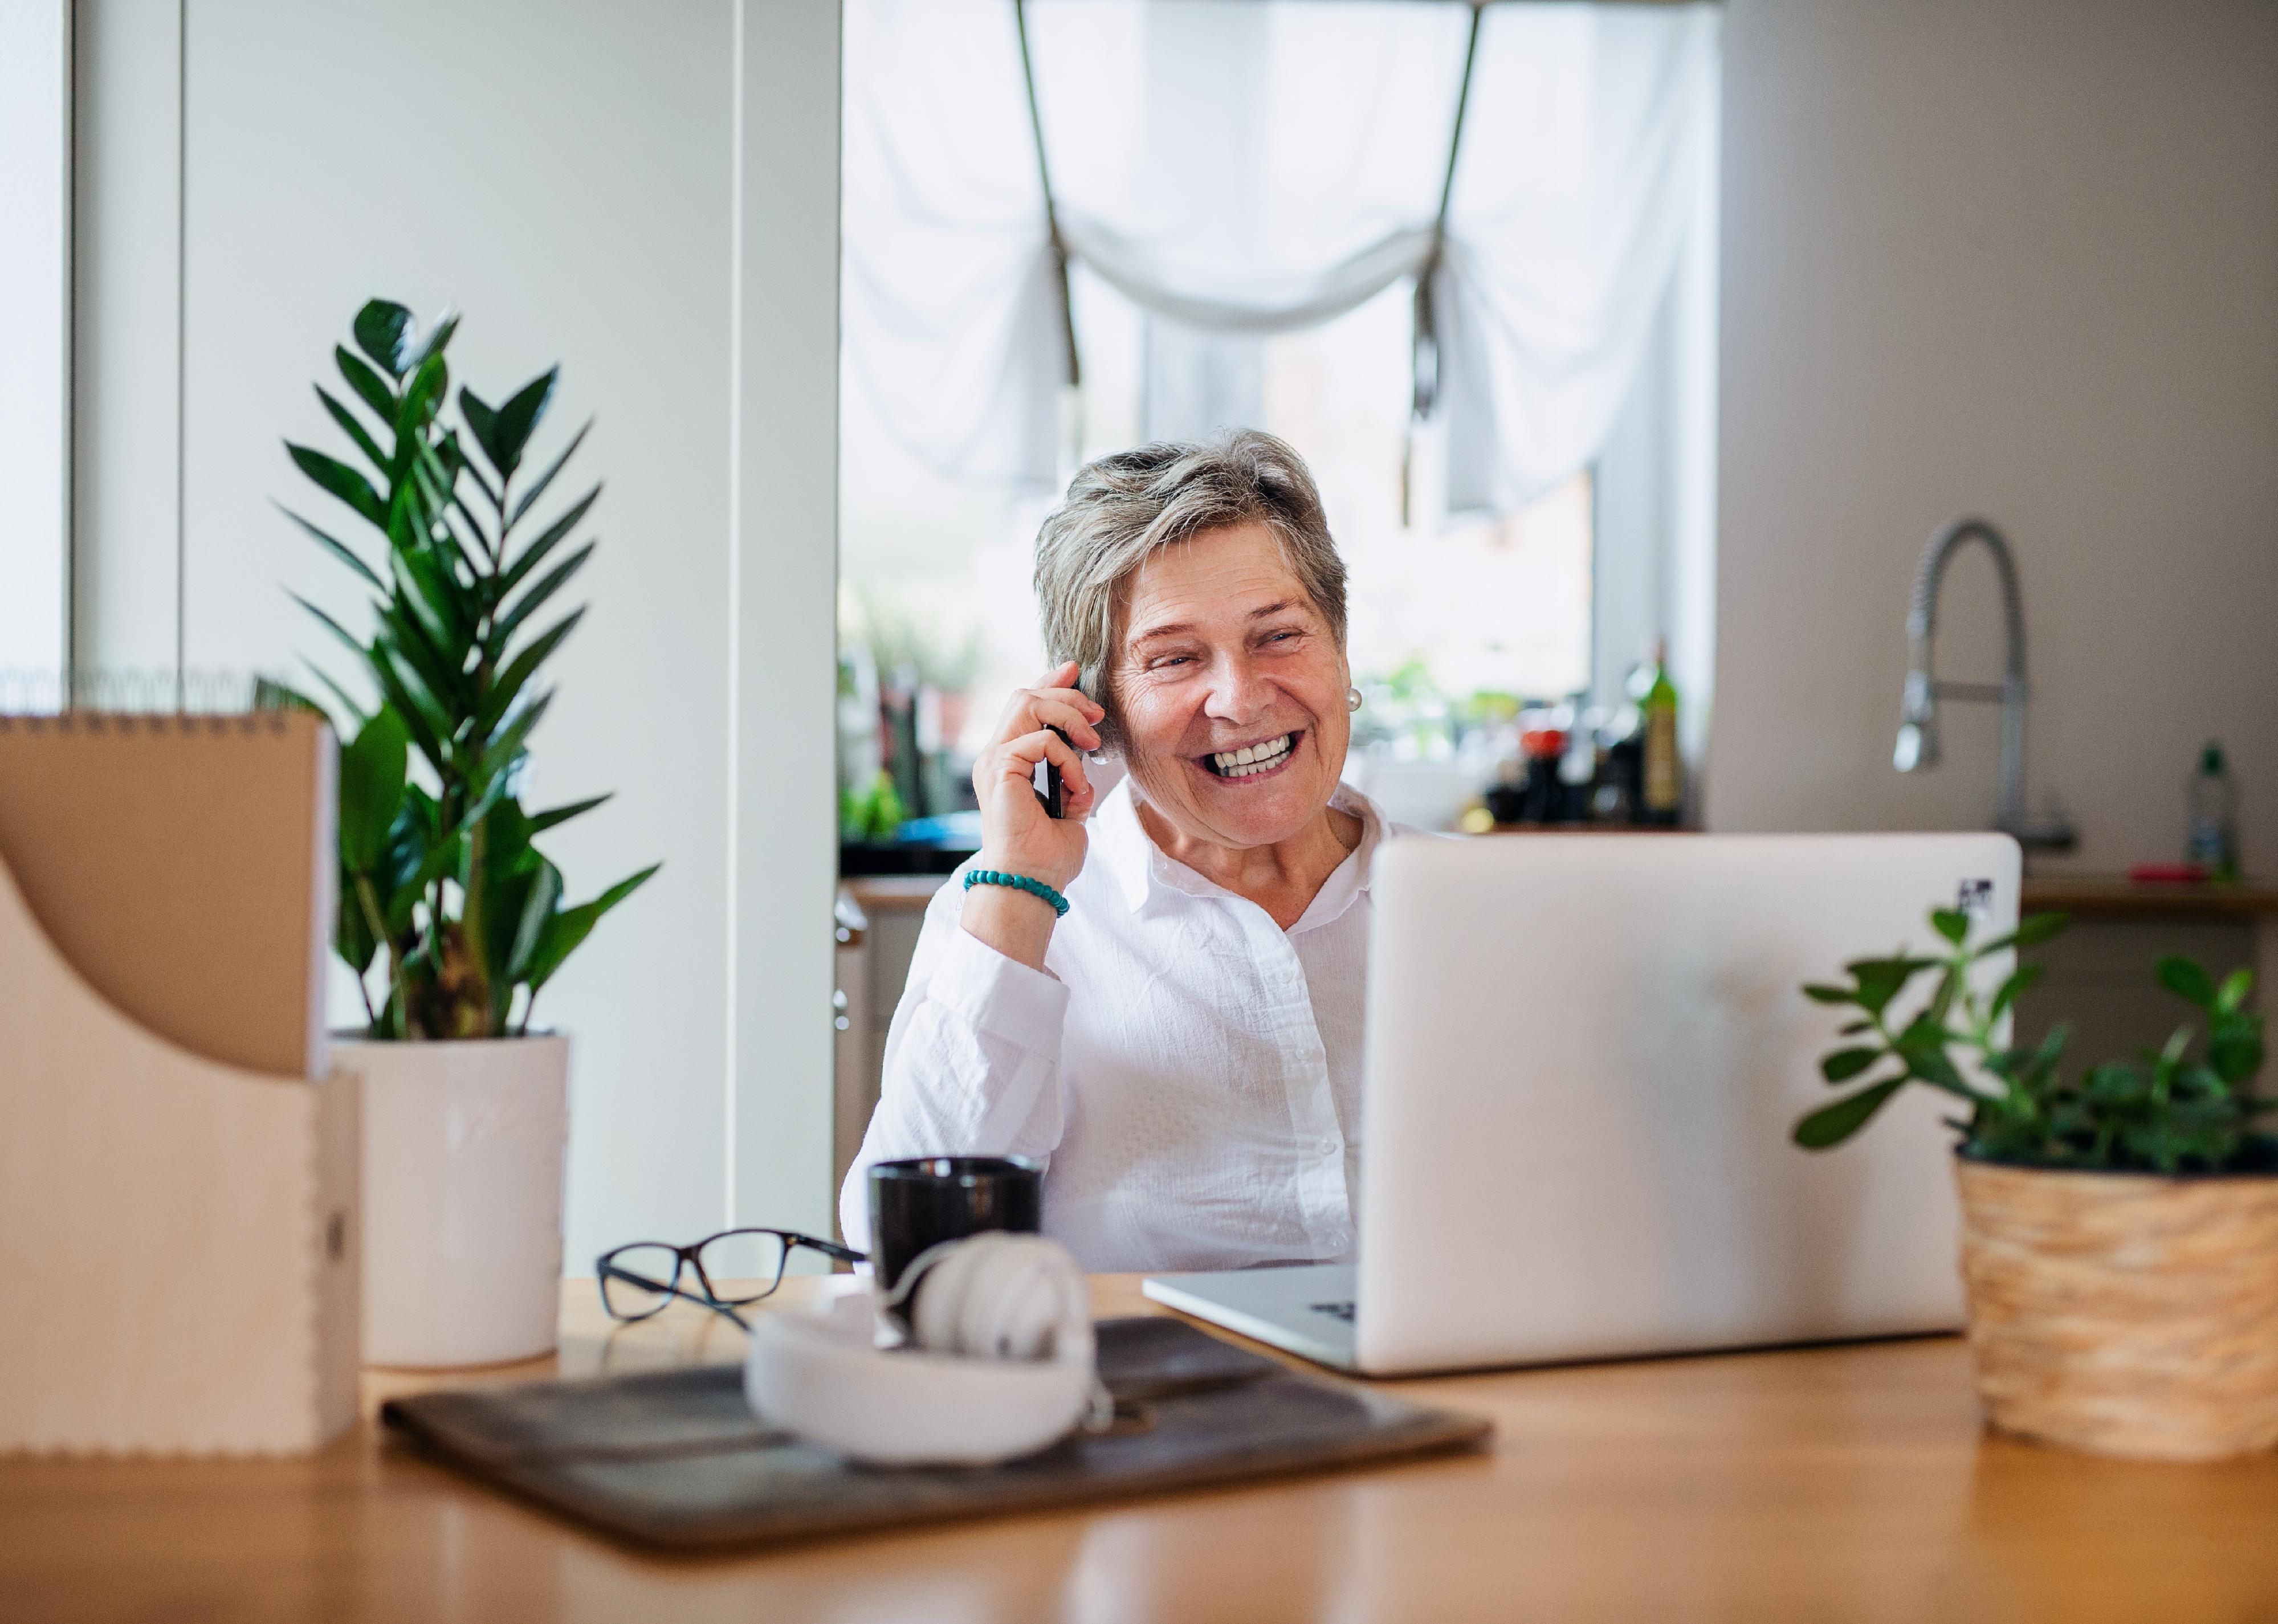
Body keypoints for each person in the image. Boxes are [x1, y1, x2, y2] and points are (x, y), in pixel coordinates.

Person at [840, 430, 1415, 1272]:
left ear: (1338, 648)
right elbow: (903, 1250)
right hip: (1143, 1393)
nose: (1240, 697)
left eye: (1279, 635)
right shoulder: (1016, 912)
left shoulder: (1465, 905)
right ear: (1090, 707)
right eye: (1174, 657)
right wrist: (1019, 892)